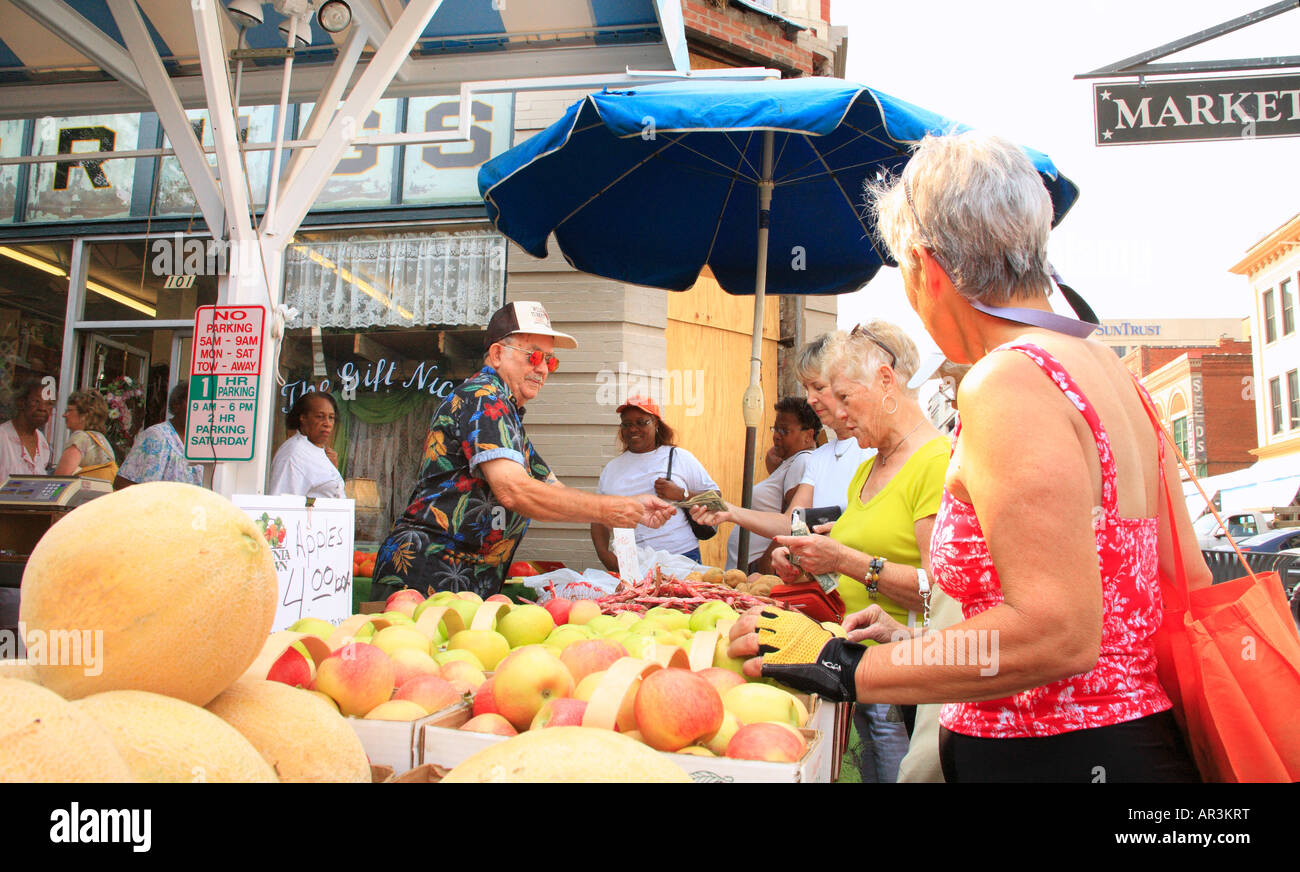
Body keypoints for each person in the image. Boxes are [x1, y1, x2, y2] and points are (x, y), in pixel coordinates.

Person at [728, 131, 1203, 783]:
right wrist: (918, 647)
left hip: (1048, 755)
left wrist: (849, 666)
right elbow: (1176, 584)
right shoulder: (1108, 369)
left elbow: (1057, 633)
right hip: (1129, 743)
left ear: (926, 267)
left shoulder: (1010, 379)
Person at [374, 301, 675, 598]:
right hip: (425, 575)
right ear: (496, 354)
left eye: (551, 360)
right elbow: (515, 490)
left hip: (459, 581)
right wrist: (615, 510)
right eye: (534, 356)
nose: (543, 369)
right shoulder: (483, 398)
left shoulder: (506, 414)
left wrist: (630, 505)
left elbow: (551, 489)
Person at [690, 335, 872, 543]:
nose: (811, 399)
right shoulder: (820, 457)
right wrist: (731, 512)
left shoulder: (874, 451)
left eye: (819, 387)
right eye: (807, 389)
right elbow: (793, 524)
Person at [591, 395, 721, 569]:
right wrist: (604, 555)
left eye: (641, 422)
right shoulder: (612, 469)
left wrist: (682, 494)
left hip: (681, 557)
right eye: (626, 424)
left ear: (656, 424)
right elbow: (599, 518)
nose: (633, 429)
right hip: (631, 562)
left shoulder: (678, 457)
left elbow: (717, 501)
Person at [725, 397, 818, 573]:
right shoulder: (791, 462)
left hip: (758, 568)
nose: (776, 435)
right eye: (775, 429)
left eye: (784, 431)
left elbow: (794, 524)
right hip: (749, 565)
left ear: (808, 435)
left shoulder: (803, 460)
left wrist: (764, 567)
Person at [115, 382, 203, 488]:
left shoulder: (204, 442)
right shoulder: (157, 436)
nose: (200, 409)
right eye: (194, 403)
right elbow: (123, 482)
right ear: (176, 406)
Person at [268, 391, 345, 499]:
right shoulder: (294, 453)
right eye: (320, 416)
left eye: (331, 417)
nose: (327, 423)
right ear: (303, 418)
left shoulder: (318, 450)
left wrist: (331, 467)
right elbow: (282, 502)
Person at [53, 389, 116, 480]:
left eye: (69, 410)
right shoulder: (102, 440)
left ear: (85, 415)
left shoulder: (80, 438)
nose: (64, 415)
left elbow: (60, 479)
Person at [0, 378, 53, 481]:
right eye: (36, 401)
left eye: (49, 403)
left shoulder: (42, 442)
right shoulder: (2, 437)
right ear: (21, 403)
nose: (42, 408)